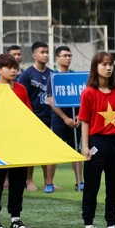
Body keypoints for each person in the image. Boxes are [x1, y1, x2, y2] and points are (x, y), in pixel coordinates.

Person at [78, 51, 115, 228]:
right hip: (96, 143)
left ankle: (111, 226)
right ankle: (89, 227)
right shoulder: (88, 93)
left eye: (110, 64)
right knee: (92, 185)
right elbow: (84, 121)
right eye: (103, 64)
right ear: (95, 67)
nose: (108, 68)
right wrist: (85, 146)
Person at [0, 54, 33, 228]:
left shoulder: (21, 89)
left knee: (18, 181)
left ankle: (15, 218)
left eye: (15, 67)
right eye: (9, 67)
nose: (14, 70)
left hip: (18, 142)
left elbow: (28, 114)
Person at [17, 41, 55, 192]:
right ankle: (29, 180)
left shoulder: (52, 74)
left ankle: (48, 182)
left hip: (49, 117)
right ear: (34, 55)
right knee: (31, 151)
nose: (45, 55)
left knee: (48, 151)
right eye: (42, 52)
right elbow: (22, 96)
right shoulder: (27, 74)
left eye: (47, 52)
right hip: (32, 118)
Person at [48, 46, 84, 191]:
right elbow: (51, 100)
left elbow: (84, 98)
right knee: (54, 152)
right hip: (58, 121)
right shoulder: (53, 77)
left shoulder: (76, 76)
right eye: (64, 55)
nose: (68, 58)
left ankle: (80, 182)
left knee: (76, 151)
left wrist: (79, 115)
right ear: (57, 58)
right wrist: (64, 118)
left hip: (76, 121)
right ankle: (49, 183)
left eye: (70, 55)